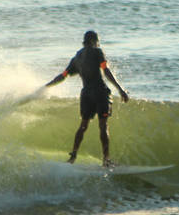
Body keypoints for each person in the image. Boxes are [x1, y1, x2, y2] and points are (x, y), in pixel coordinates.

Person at [45, 30, 130, 167]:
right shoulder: (97, 52)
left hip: (86, 95)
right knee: (103, 126)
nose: (98, 43)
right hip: (100, 93)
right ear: (93, 40)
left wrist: (47, 86)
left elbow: (63, 75)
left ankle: (72, 157)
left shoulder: (76, 58)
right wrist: (120, 90)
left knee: (83, 126)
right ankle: (106, 160)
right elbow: (105, 70)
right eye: (97, 41)